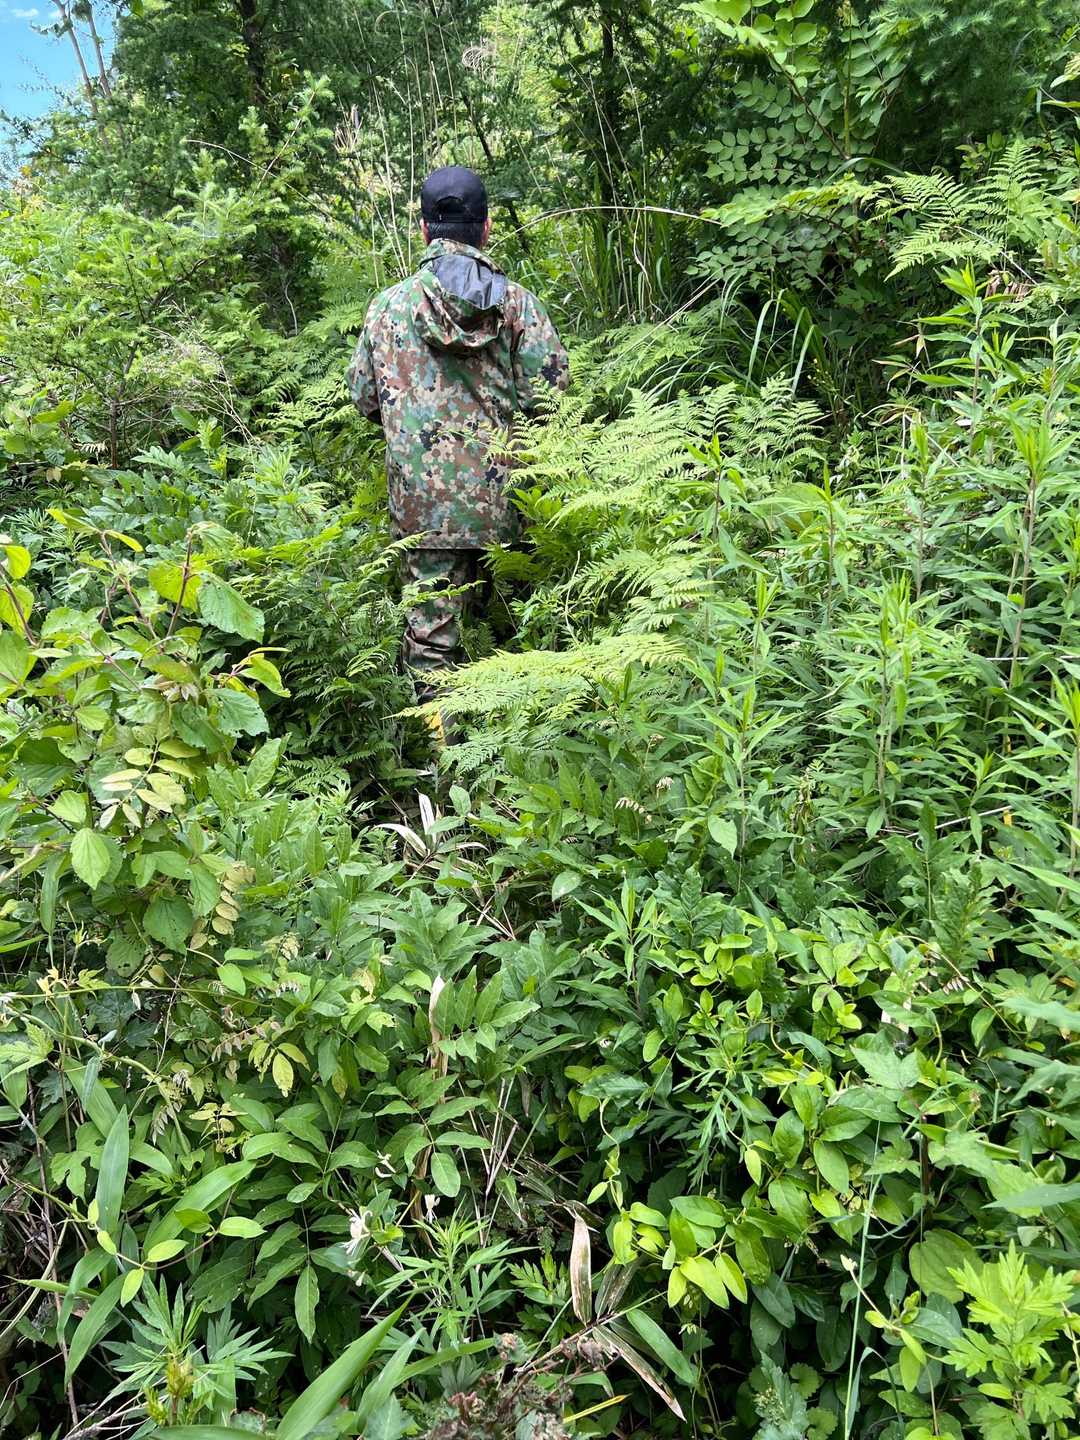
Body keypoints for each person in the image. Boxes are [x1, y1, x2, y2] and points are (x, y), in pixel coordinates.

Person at [346, 165, 569, 727]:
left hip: (421, 510)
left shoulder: (387, 308)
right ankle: (516, 753)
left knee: (432, 645)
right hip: (509, 505)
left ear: (424, 229)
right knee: (513, 635)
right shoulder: (520, 306)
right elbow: (552, 404)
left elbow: (366, 399)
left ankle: (443, 760)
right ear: (486, 227)